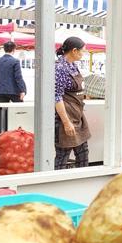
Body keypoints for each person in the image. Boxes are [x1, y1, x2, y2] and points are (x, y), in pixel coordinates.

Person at [54, 36, 90, 170]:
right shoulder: (60, 68)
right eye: (83, 51)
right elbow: (57, 97)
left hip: (77, 114)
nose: (83, 53)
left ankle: (82, 181)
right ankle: (57, 184)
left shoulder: (73, 66)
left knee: (83, 153)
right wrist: (66, 122)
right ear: (74, 51)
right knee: (63, 155)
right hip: (65, 116)